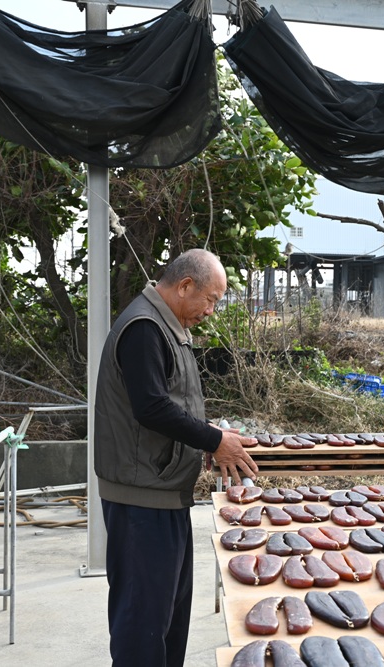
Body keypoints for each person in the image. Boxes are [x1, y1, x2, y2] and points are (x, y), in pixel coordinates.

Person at [94, 248, 258, 667]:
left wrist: (209, 435)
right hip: (141, 501)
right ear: (185, 286)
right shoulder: (144, 328)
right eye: (211, 299)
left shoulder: (169, 326)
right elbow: (151, 407)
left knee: (167, 620)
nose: (211, 311)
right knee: (143, 624)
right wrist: (212, 440)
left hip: (164, 492)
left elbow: (173, 404)